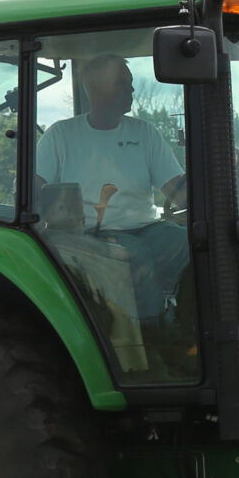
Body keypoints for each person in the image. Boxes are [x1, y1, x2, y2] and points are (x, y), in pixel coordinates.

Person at [33, 55, 194, 337]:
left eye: (130, 84)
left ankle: (191, 328)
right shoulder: (61, 135)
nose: (131, 90)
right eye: (123, 84)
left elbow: (178, 192)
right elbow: (34, 192)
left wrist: (215, 178)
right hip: (88, 235)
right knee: (134, 258)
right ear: (96, 88)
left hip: (148, 227)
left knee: (192, 244)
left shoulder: (144, 134)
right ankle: (152, 341)